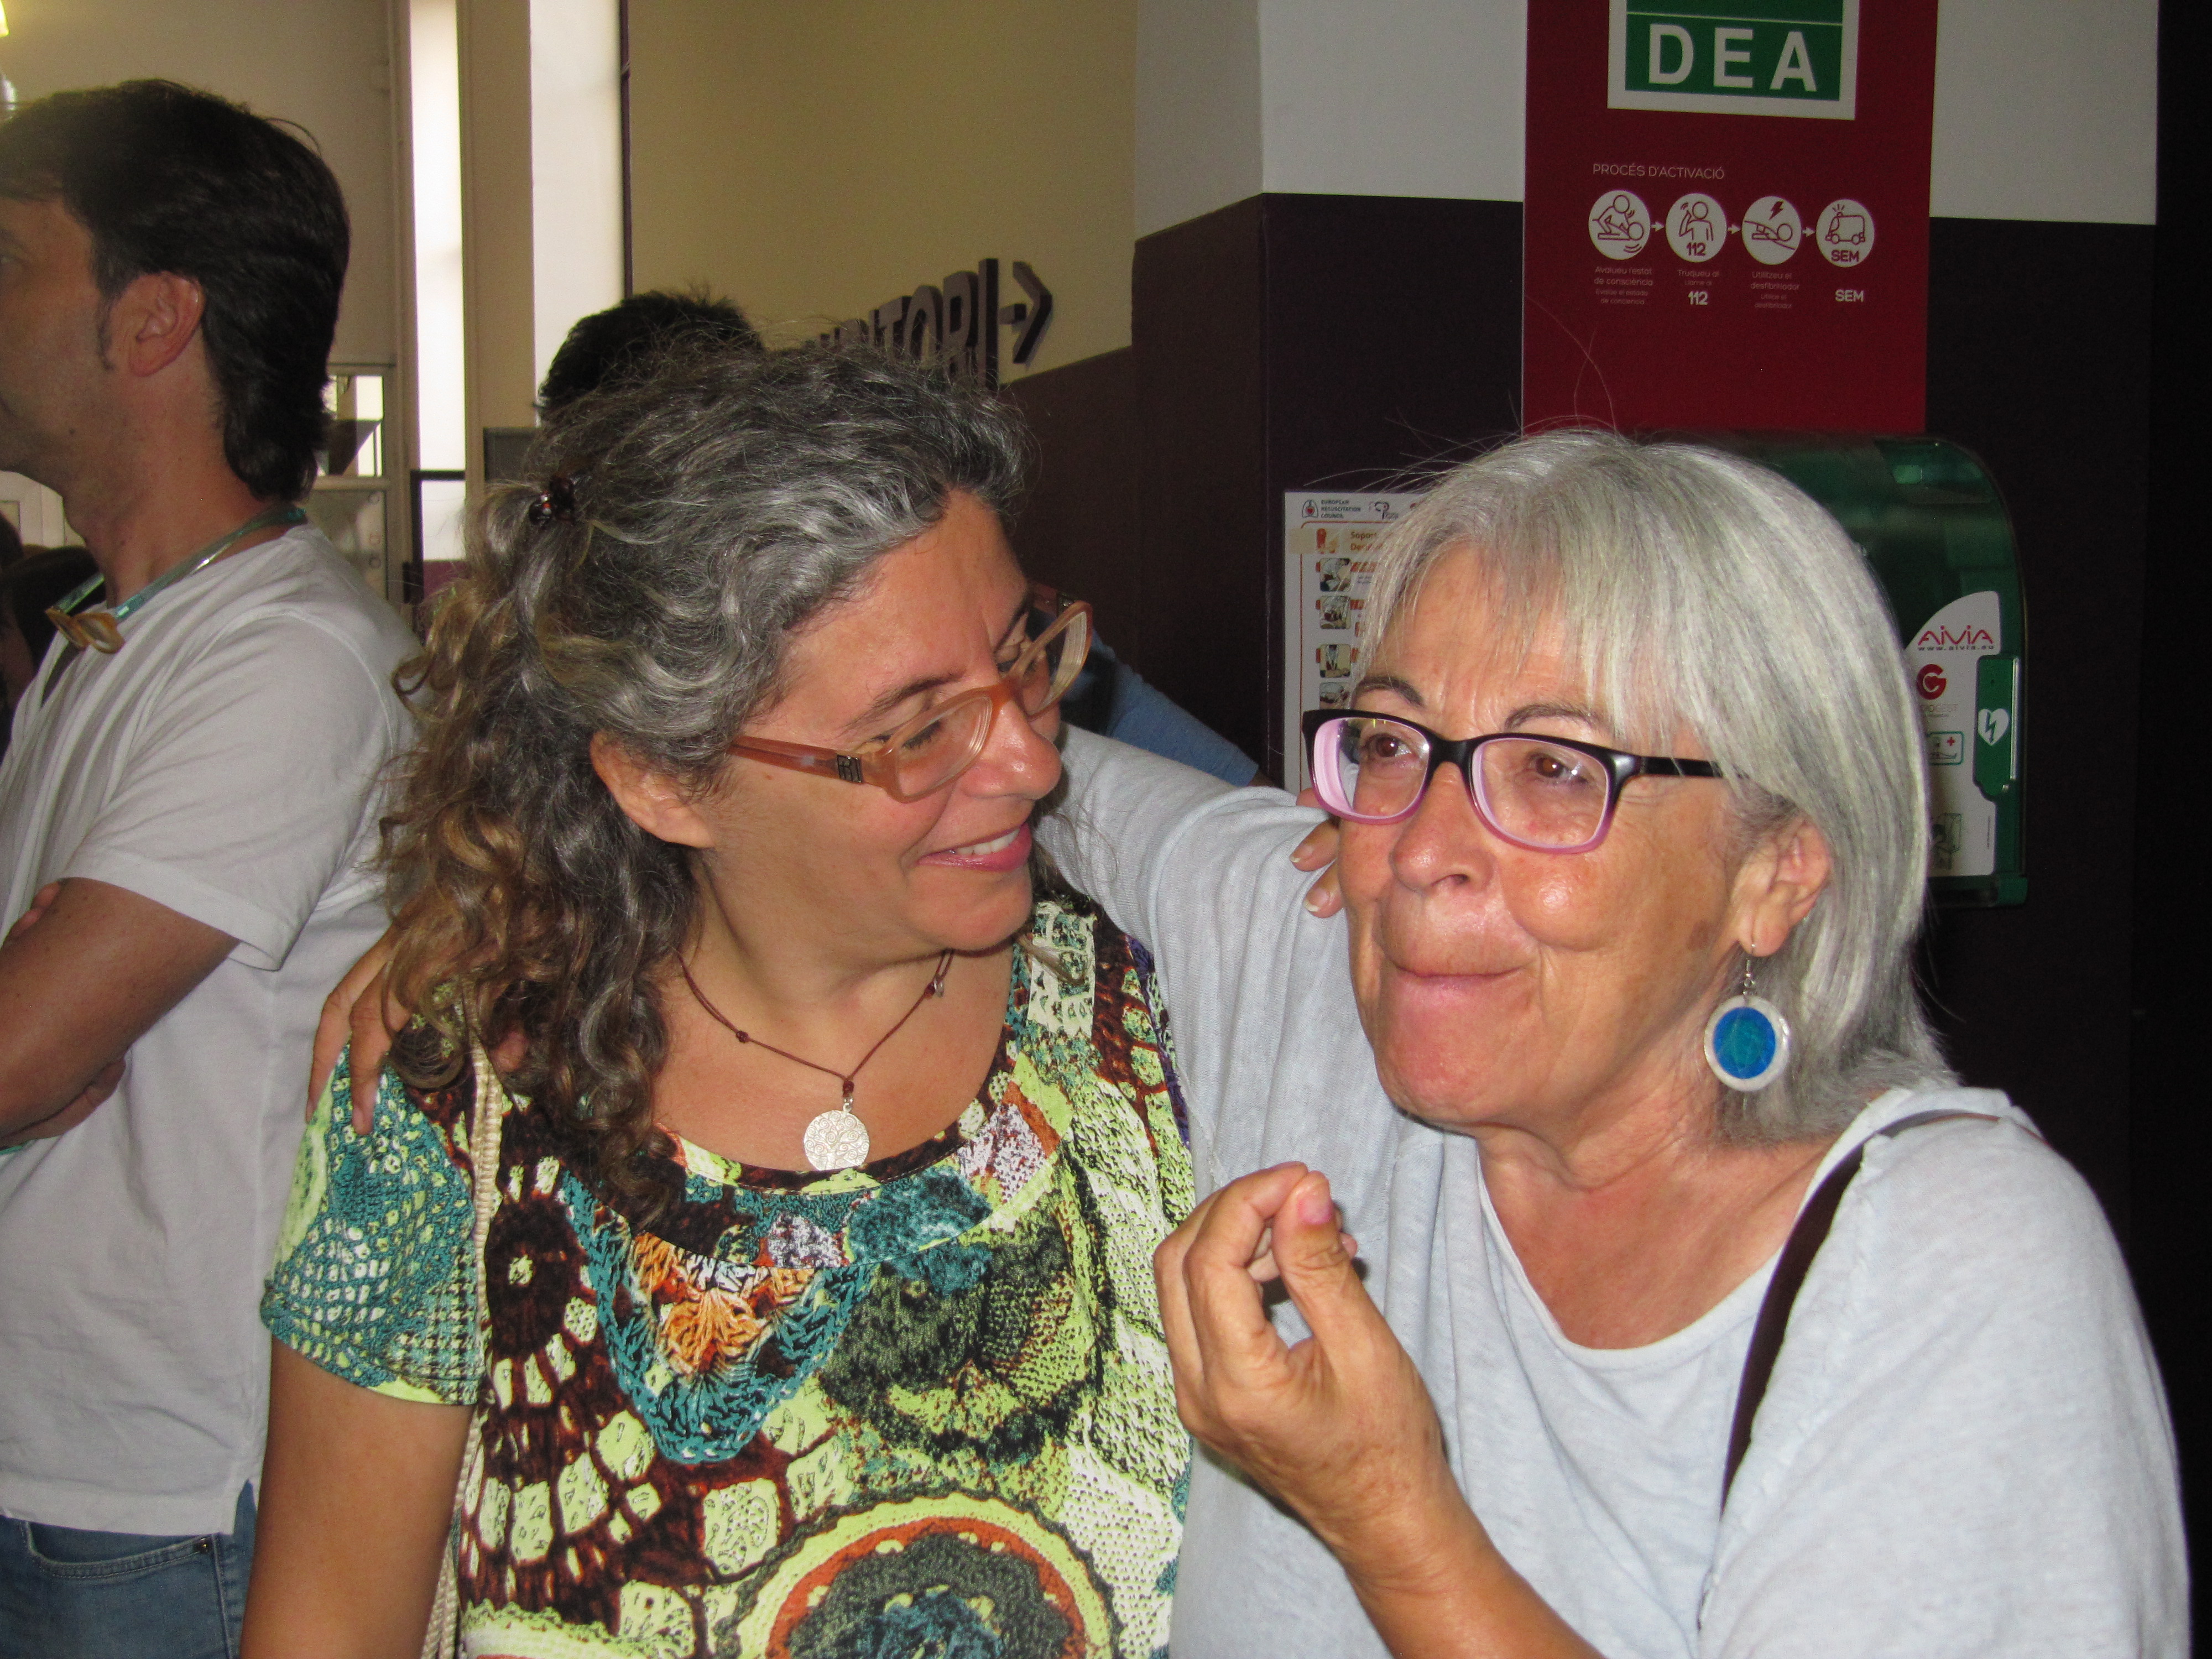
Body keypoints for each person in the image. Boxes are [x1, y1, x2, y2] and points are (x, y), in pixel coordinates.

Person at [1041, 430, 2184, 1656]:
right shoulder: (1314, 953)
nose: (1422, 852)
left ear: (1775, 872)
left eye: (1554, 769)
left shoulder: (1953, 1264)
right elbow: (1022, 772)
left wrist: (1387, 1517)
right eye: (1391, 743)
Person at [244, 347, 1195, 1658]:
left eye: (1023, 656)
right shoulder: (450, 1116)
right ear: (662, 779)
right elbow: (326, 1625)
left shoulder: (1151, 1026)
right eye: (917, 730)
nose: (1034, 761)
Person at [0, 81, 416, 1658]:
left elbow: (19, 1051)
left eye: (10, 262)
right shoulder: (108, 640)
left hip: (158, 1500)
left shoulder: (287, 654)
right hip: (69, 1461)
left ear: (152, 317)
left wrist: (31, 1043)